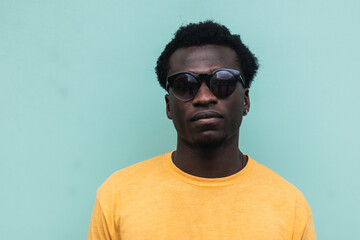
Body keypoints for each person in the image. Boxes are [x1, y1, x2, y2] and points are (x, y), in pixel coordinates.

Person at [88, 20, 316, 240]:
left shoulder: (289, 205)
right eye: (185, 85)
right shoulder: (117, 196)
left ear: (245, 101)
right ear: (169, 106)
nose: (205, 97)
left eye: (223, 81)